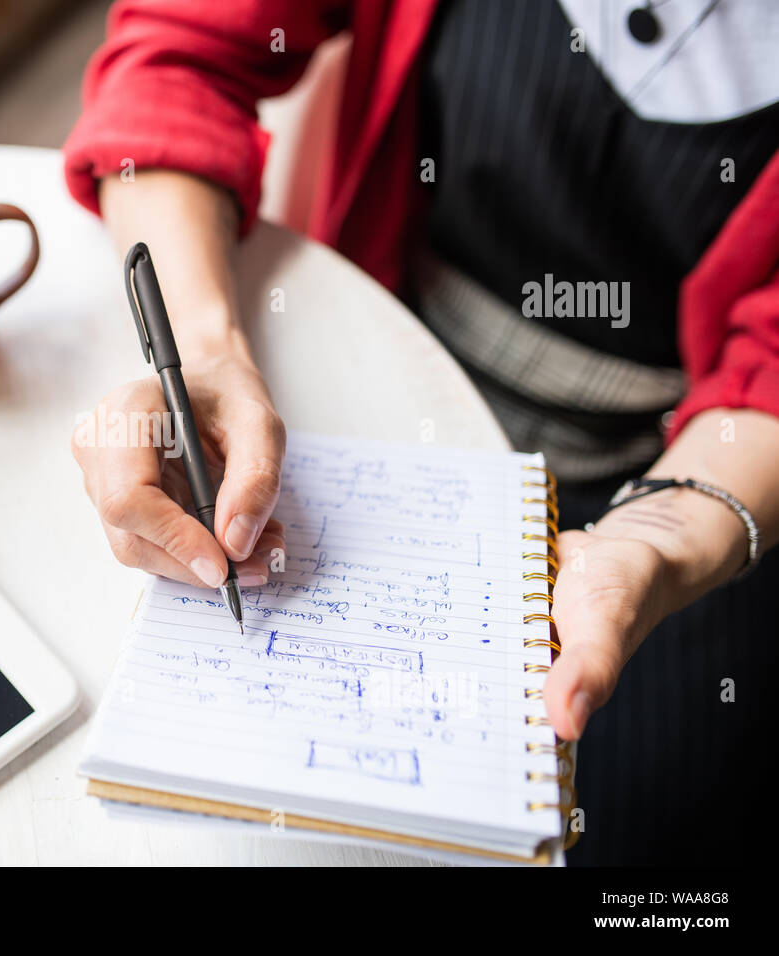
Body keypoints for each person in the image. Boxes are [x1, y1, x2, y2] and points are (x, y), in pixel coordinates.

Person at [62, 0, 779, 865]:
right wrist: (209, 353)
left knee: (628, 821)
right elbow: (177, 57)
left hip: (686, 462)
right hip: (365, 348)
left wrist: (663, 539)